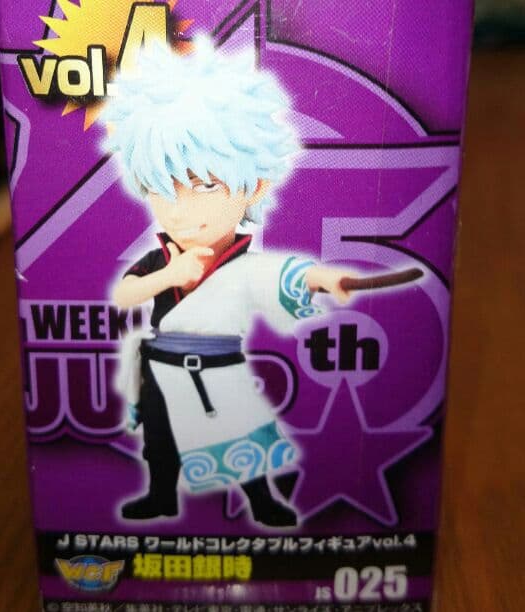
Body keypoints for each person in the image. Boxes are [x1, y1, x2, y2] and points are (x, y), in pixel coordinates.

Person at [101, 36, 353, 528]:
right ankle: (160, 495)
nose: (184, 210)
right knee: (160, 439)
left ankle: (262, 501)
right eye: (164, 189)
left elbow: (284, 274)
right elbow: (124, 294)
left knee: (243, 434)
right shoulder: (160, 259)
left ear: (252, 186)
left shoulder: (242, 264)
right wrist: (170, 275)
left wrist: (326, 277)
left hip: (220, 367)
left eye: (206, 186)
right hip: (160, 365)